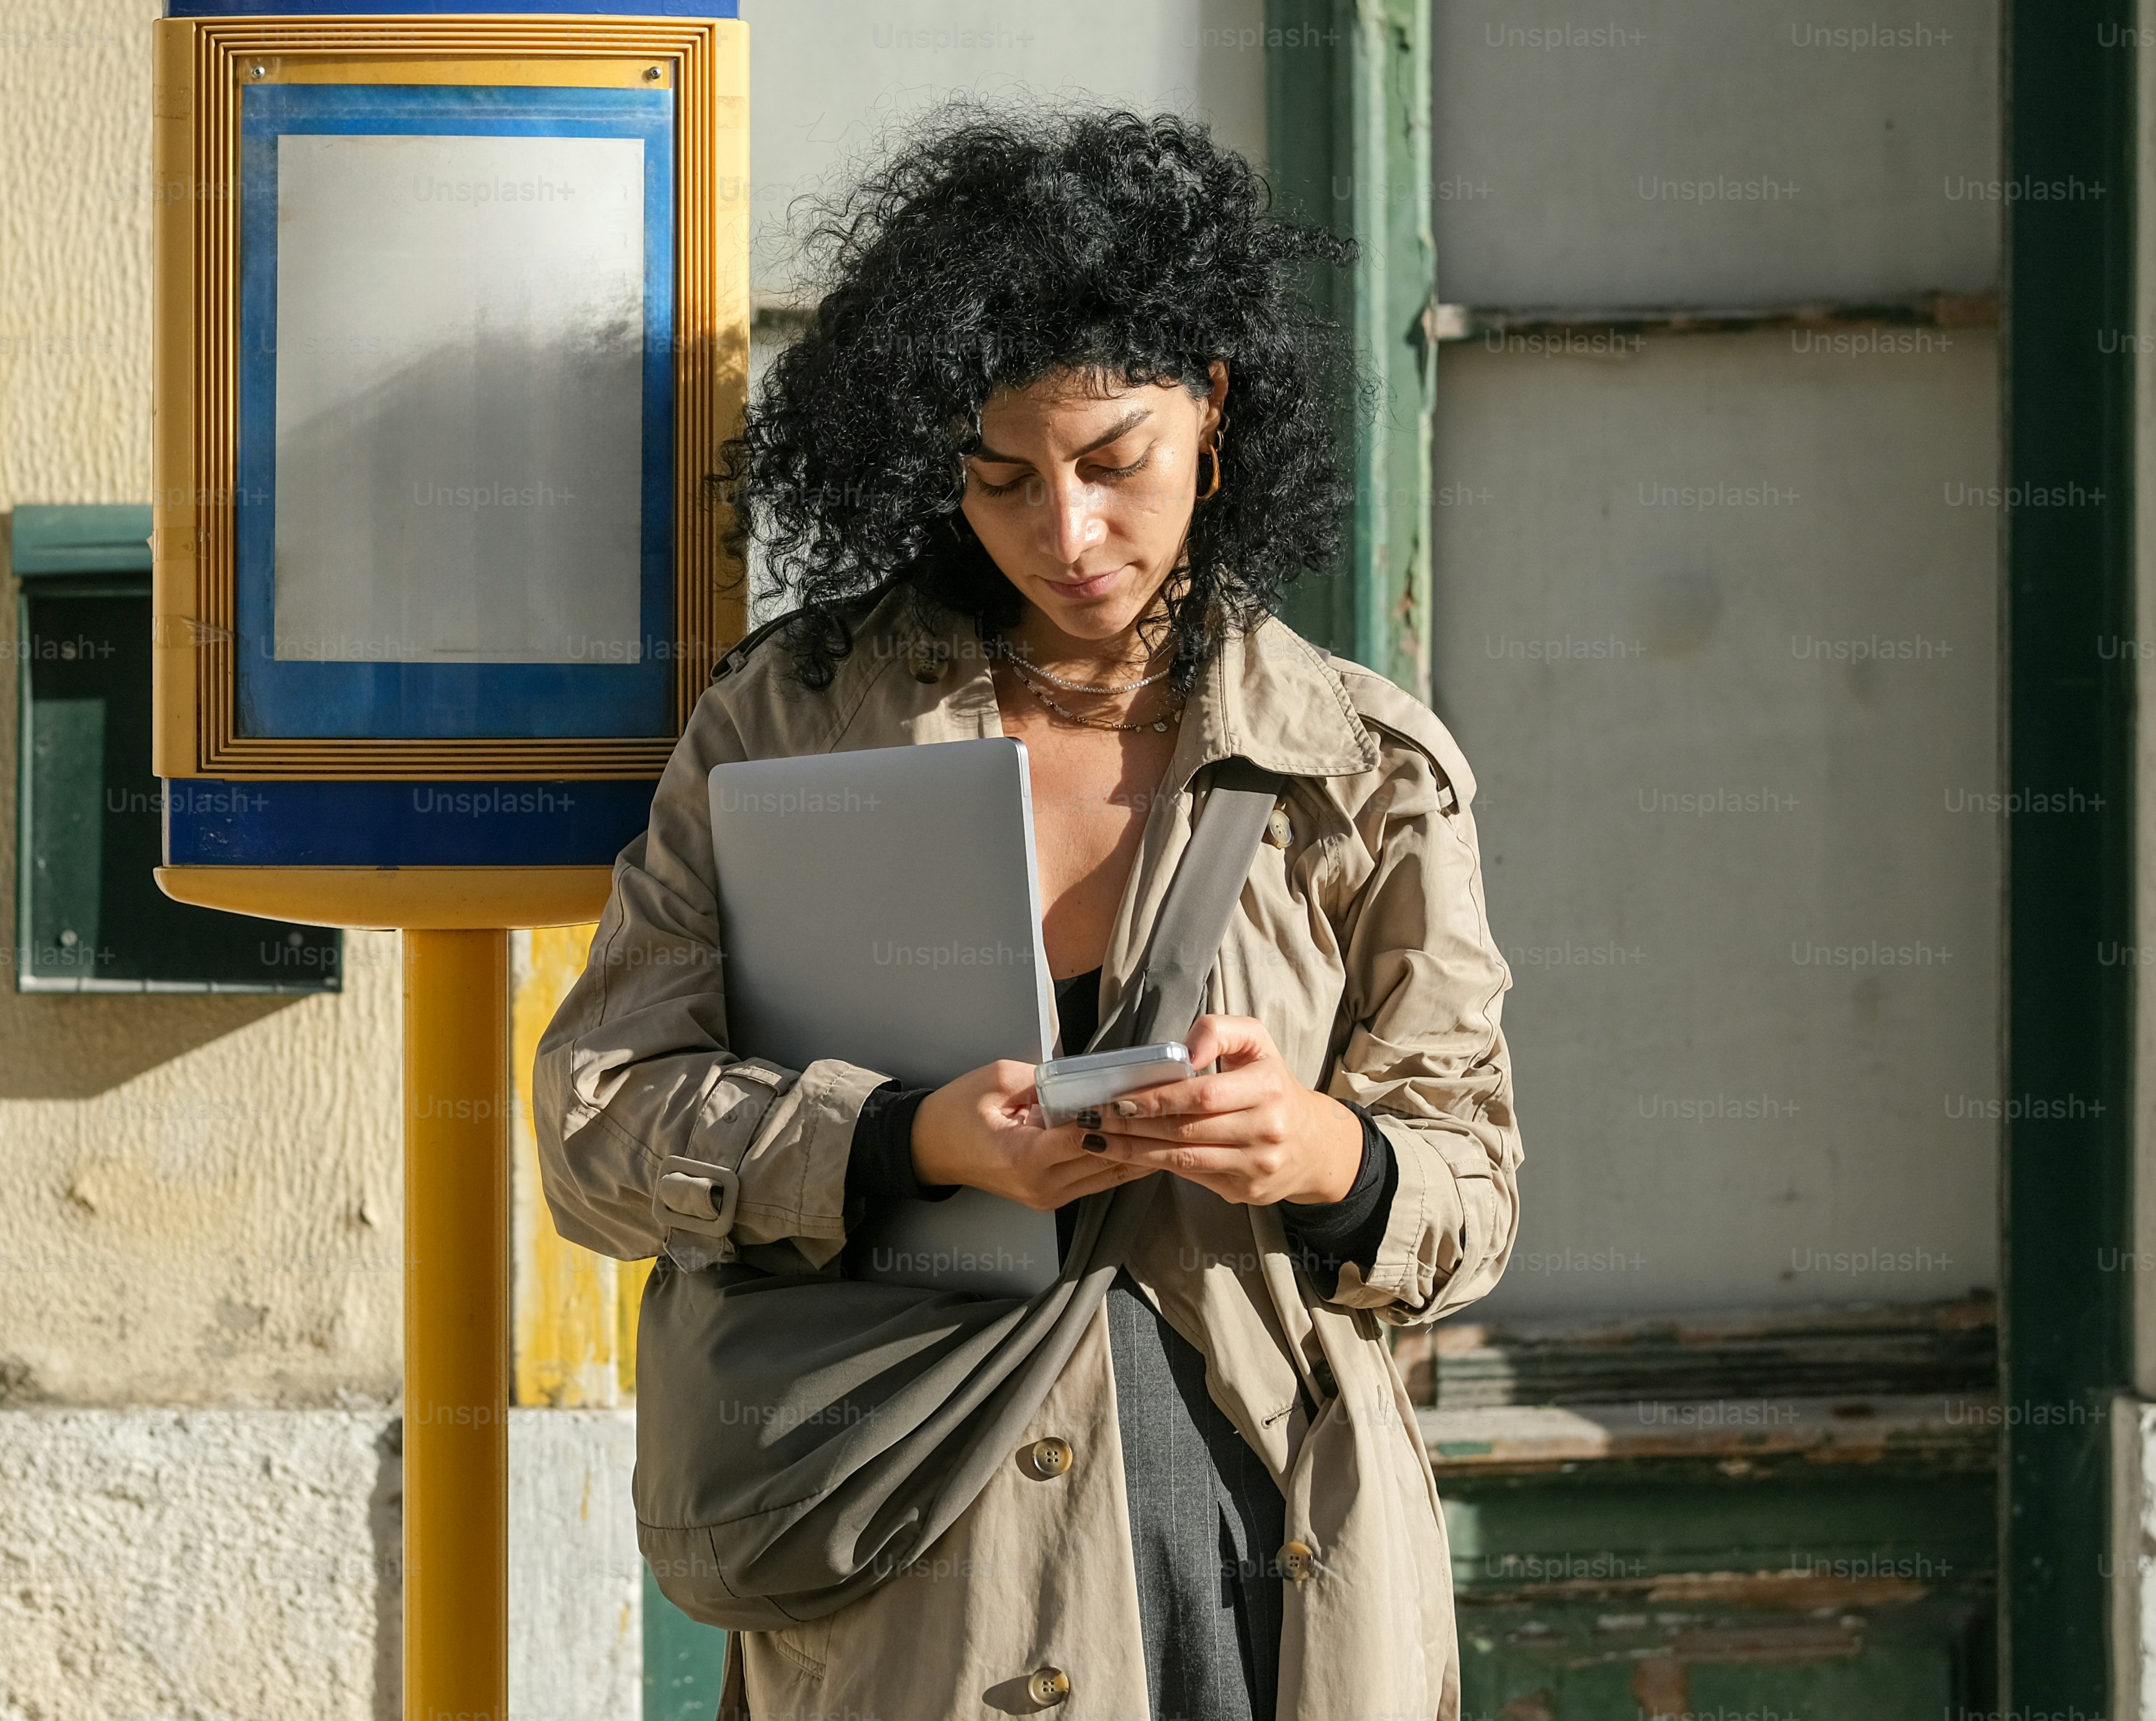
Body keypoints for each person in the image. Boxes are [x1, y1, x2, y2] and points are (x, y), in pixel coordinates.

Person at [531, 107, 1521, 1720]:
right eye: (1002, 478)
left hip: (1264, 1571)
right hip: (912, 1571)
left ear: (1213, 404)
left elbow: (1474, 1189)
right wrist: (901, 1141)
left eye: (1115, 463)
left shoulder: (1365, 769)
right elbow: (597, 1124)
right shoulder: (792, 721)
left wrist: (1319, 1153)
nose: (1067, 534)